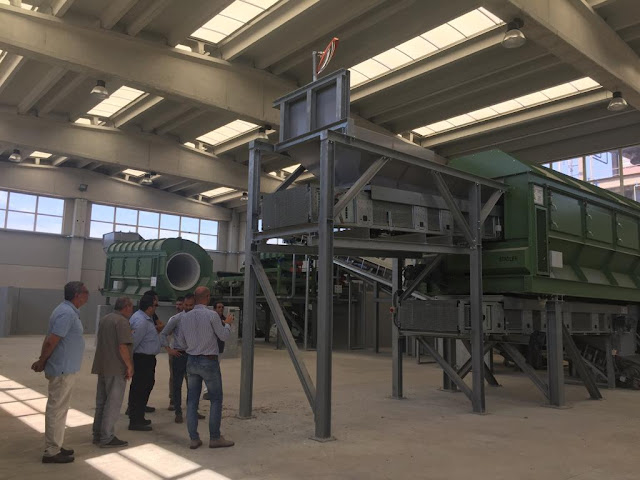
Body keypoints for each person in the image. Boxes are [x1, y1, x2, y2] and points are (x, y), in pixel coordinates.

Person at [31, 281, 89, 464]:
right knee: (56, 409)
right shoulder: (66, 313)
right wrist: (42, 360)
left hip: (65, 367)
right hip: (62, 369)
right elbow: (52, 340)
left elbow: (50, 338)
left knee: (60, 409)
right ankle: (51, 451)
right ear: (77, 295)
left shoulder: (67, 310)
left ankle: (56, 443)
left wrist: (42, 359)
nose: (88, 295)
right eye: (86, 292)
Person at [175, 287, 235, 449]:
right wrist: (227, 324)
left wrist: (193, 346)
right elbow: (223, 336)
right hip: (209, 361)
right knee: (216, 399)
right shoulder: (212, 315)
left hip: (191, 360)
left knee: (192, 401)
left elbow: (181, 343)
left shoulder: (184, 317)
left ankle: (194, 438)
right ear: (207, 297)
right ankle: (215, 437)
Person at [91, 297, 134, 448]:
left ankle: (97, 434)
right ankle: (107, 437)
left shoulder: (105, 319)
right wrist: (129, 366)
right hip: (116, 368)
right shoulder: (122, 322)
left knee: (101, 402)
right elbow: (122, 346)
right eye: (131, 307)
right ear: (126, 307)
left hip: (102, 365)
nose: (132, 310)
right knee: (113, 403)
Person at [127, 294, 161, 431]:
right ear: (149, 307)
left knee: (145, 386)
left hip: (146, 359)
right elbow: (133, 343)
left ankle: (139, 415)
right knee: (140, 388)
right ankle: (135, 420)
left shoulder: (144, 318)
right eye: (155, 305)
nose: (156, 308)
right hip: (142, 359)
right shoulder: (141, 321)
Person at [168, 296, 185, 411]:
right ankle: (173, 400)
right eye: (177, 304)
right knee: (174, 377)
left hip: (188, 351)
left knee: (190, 378)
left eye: (180, 304)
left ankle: (192, 404)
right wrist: (170, 350)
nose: (178, 307)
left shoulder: (189, 318)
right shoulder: (173, 319)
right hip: (175, 351)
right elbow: (166, 333)